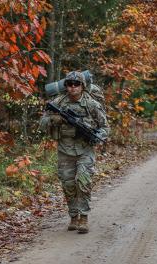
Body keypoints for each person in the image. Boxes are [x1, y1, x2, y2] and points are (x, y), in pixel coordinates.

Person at [40, 71, 109, 233]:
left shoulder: (91, 104)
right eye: (69, 84)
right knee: (68, 184)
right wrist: (52, 120)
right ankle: (73, 216)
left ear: (82, 86)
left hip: (85, 149)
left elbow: (105, 127)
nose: (72, 87)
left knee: (83, 182)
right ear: (66, 86)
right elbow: (42, 123)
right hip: (65, 149)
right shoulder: (58, 103)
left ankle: (84, 217)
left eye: (76, 84)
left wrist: (96, 136)